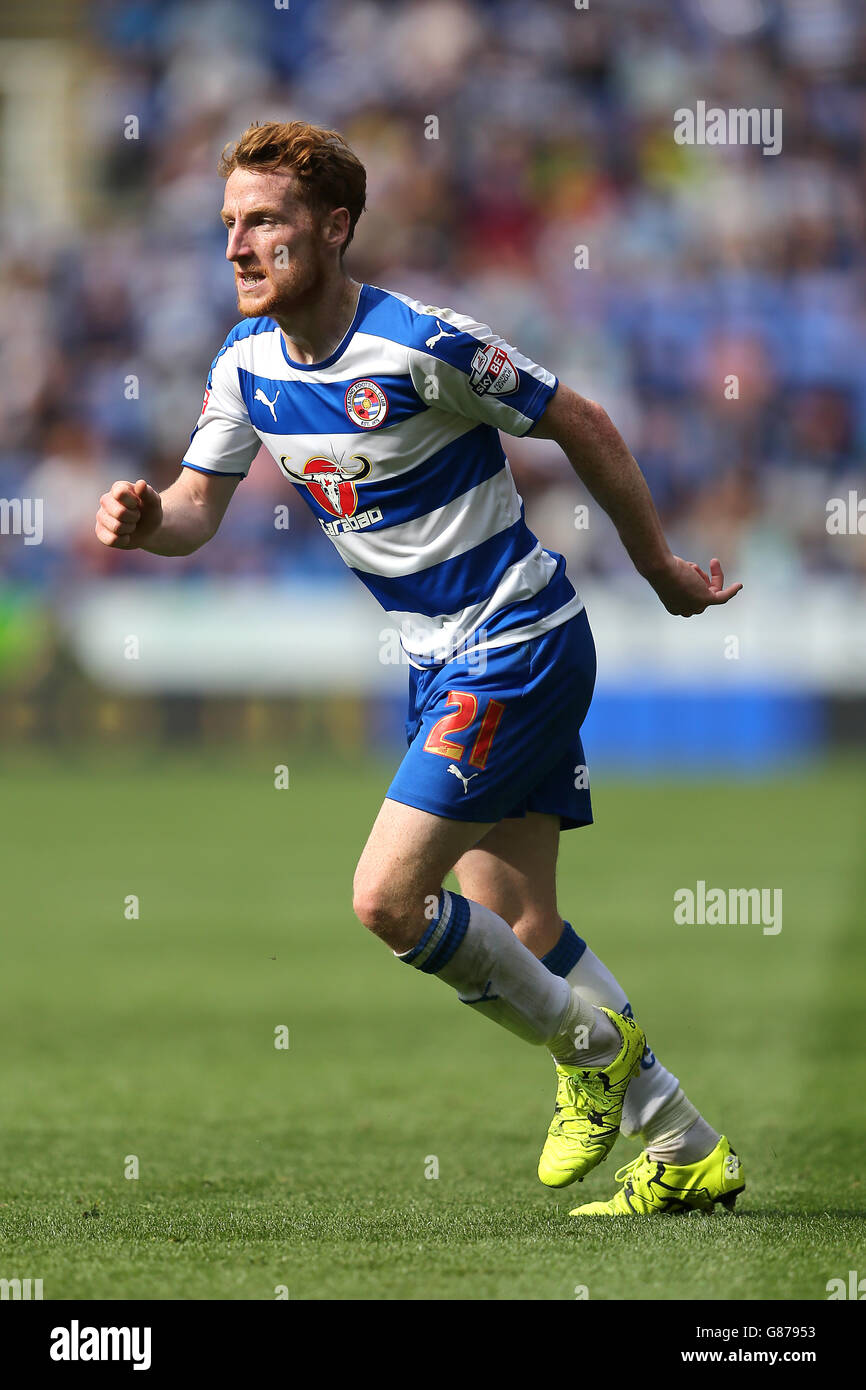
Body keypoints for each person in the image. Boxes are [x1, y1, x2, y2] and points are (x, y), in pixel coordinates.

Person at [95, 121, 745, 1216]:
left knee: (389, 900)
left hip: (516, 644)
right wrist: (150, 516)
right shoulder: (243, 367)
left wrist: (660, 571)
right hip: (440, 663)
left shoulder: (421, 345)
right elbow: (197, 512)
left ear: (334, 228)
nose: (236, 248)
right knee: (523, 931)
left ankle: (588, 1048)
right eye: (228, 226)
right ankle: (682, 1141)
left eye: (263, 222)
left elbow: (579, 420)